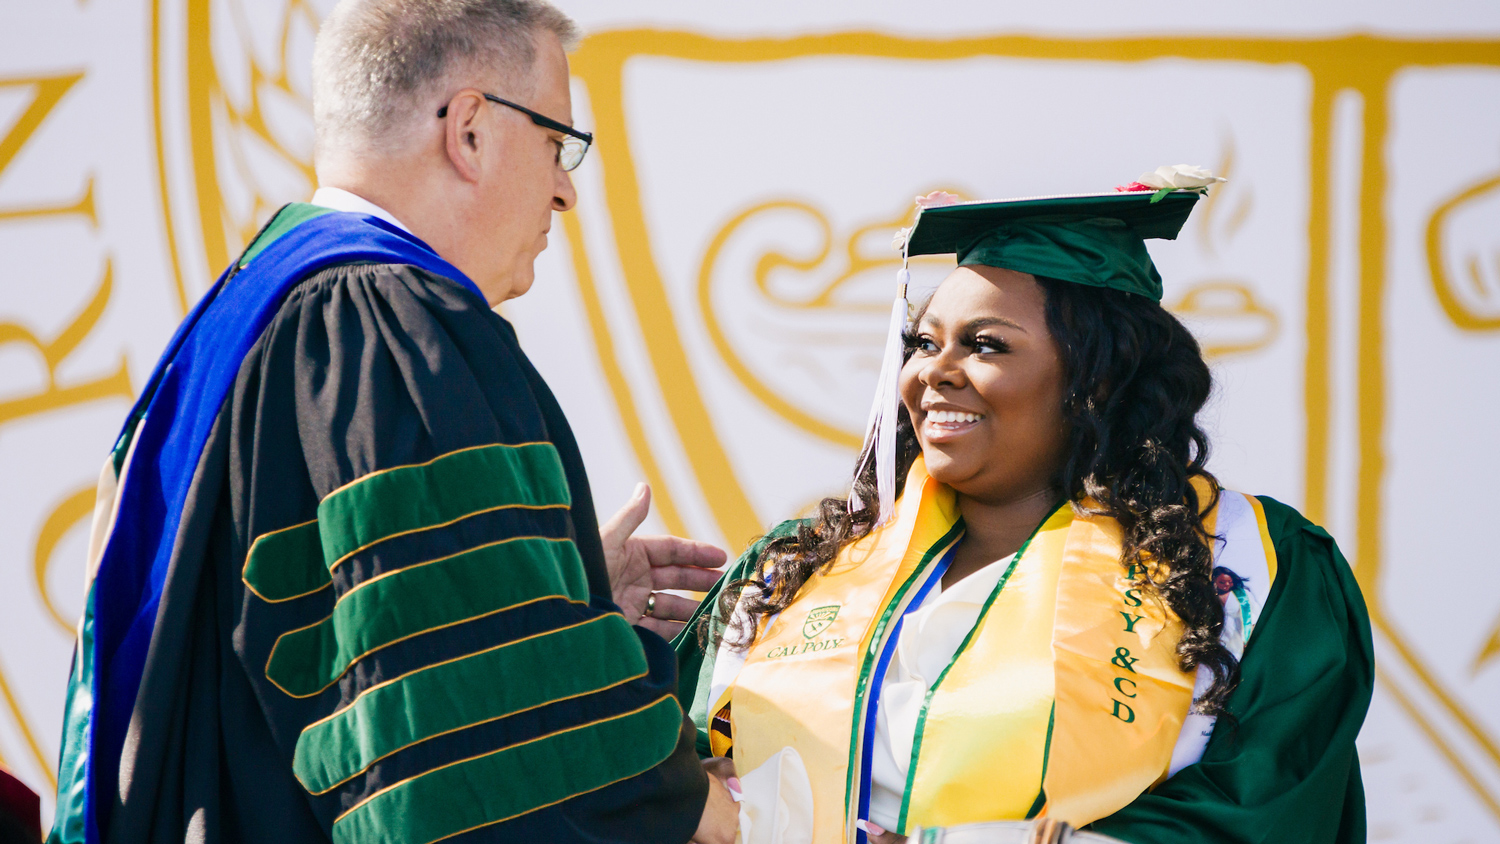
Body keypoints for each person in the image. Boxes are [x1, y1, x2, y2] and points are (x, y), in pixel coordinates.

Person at [46, 2, 737, 843]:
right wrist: (704, 808)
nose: (565, 188)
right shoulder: (388, 326)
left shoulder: (244, 314)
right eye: (558, 143)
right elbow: (452, 733)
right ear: (472, 131)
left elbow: (349, 631)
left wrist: (547, 591)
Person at [676, 171, 1373, 844]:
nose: (934, 372)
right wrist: (593, 619)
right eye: (924, 342)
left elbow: (1262, 813)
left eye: (985, 345)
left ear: (1097, 380)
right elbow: (653, 770)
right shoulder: (801, 566)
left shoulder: (1250, 565)